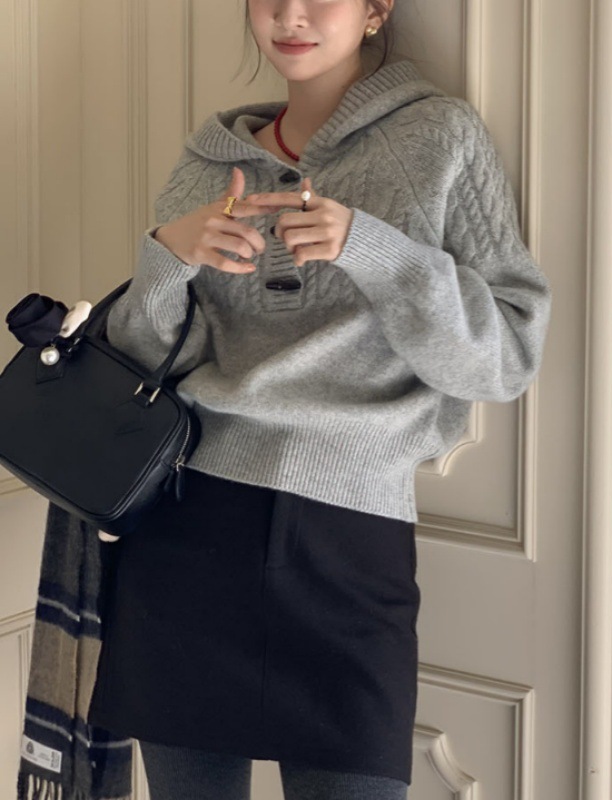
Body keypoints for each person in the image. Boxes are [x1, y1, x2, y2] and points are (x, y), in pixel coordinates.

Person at [85, 0, 553, 797]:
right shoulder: (206, 166)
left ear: (376, 9)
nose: (289, 14)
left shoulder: (439, 138)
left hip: (350, 541)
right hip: (188, 529)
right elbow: (142, 364)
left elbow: (505, 361)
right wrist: (165, 257)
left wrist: (372, 250)